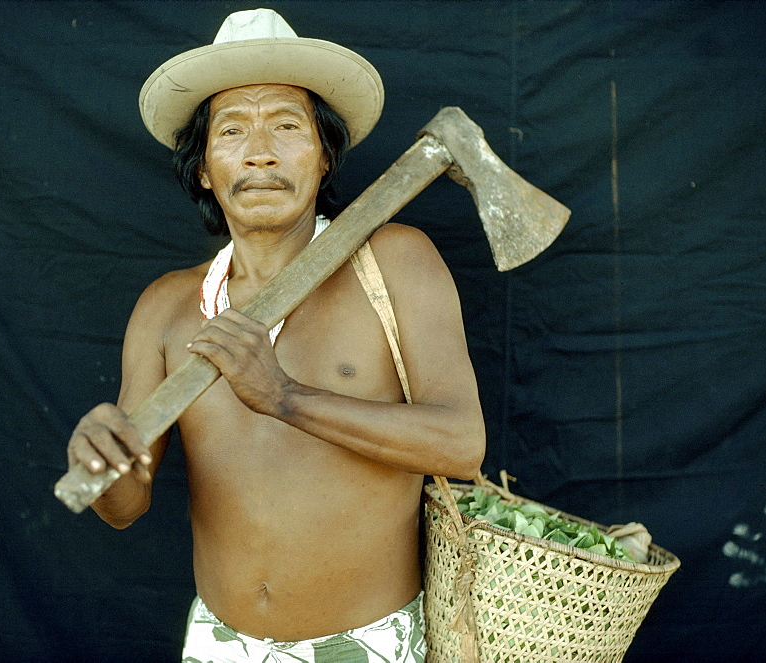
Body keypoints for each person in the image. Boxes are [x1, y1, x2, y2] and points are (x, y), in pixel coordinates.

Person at [66, 9, 485, 662]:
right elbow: (125, 505)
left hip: (368, 642)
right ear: (204, 167)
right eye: (232, 130)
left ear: (323, 155)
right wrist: (99, 460)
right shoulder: (168, 309)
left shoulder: (395, 263)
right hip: (217, 641)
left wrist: (286, 396)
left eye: (286, 126)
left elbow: (462, 444)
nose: (259, 151)